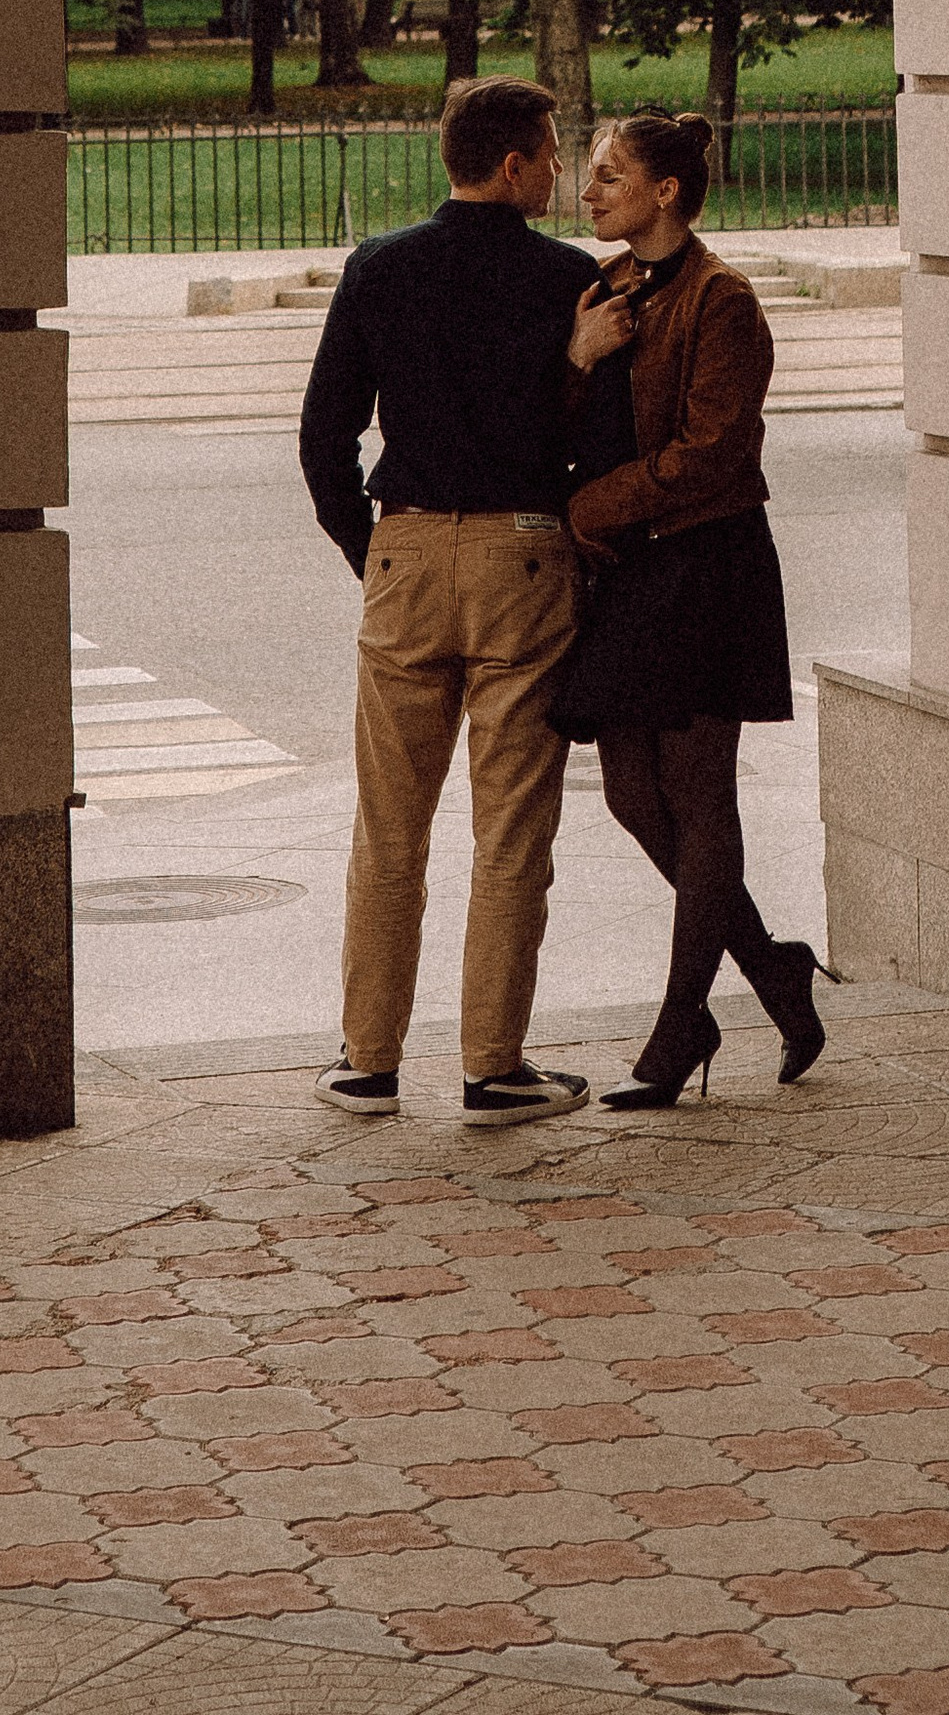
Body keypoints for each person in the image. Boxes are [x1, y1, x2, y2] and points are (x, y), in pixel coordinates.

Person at [298, 75, 596, 1123]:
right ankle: (492, 1067)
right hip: (525, 551)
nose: (559, 170)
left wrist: (374, 550)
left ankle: (367, 1062)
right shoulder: (569, 279)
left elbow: (324, 436)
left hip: (407, 549)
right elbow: (592, 434)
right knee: (512, 828)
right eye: (551, 154)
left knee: (389, 825)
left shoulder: (379, 267)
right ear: (511, 166)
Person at [555, 110, 826, 1109]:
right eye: (591, 174)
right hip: (632, 569)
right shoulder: (605, 289)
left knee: (701, 792)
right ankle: (772, 968)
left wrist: (593, 507)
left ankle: (682, 1022)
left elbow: (714, 452)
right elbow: (561, 427)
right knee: (632, 793)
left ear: (665, 191)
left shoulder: (723, 300)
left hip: (708, 562)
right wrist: (577, 355)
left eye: (609, 175)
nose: (589, 192)